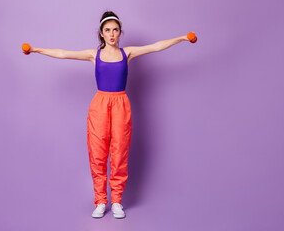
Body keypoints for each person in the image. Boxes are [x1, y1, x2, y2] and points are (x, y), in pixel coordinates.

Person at [23, 11, 194, 219]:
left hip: (121, 104)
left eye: (115, 30)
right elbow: (63, 53)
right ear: (101, 33)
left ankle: (117, 202)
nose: (111, 34)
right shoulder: (93, 55)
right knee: (97, 154)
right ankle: (100, 201)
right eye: (107, 30)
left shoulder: (127, 53)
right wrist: (35, 49)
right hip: (100, 106)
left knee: (120, 152)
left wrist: (182, 38)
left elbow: (156, 46)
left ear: (120, 32)